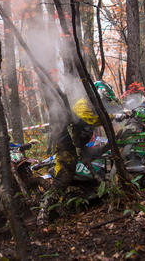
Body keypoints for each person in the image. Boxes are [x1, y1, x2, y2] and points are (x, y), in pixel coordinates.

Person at [37, 81, 117, 225]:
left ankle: (100, 189)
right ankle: (44, 210)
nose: (105, 104)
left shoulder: (97, 107)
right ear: (96, 96)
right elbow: (91, 118)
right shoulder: (82, 104)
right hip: (66, 147)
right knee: (64, 178)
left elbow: (114, 108)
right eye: (103, 100)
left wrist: (127, 111)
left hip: (81, 147)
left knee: (104, 153)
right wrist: (112, 117)